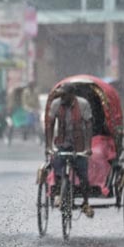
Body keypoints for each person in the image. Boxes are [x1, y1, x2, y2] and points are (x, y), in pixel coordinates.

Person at [48, 86, 94, 217]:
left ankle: (85, 203)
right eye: (60, 96)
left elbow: (88, 124)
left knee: (83, 176)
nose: (62, 98)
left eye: (64, 96)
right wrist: (49, 146)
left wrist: (88, 147)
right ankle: (58, 194)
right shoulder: (56, 104)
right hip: (62, 143)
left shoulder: (82, 104)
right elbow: (50, 124)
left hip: (78, 145)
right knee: (57, 168)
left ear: (72, 95)